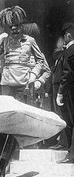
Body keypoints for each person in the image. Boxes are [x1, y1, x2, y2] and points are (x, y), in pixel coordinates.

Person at [0, 6, 49, 104]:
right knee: (7, 112)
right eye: (11, 28)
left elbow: (40, 60)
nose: (14, 30)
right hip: (7, 84)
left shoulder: (30, 41)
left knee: (21, 112)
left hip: (22, 83)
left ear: (21, 26)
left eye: (17, 27)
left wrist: (33, 74)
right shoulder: (5, 41)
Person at [56, 24, 74, 163]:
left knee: (69, 121)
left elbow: (66, 74)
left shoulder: (70, 51)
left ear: (68, 36)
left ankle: (71, 154)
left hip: (69, 92)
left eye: (64, 37)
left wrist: (60, 92)